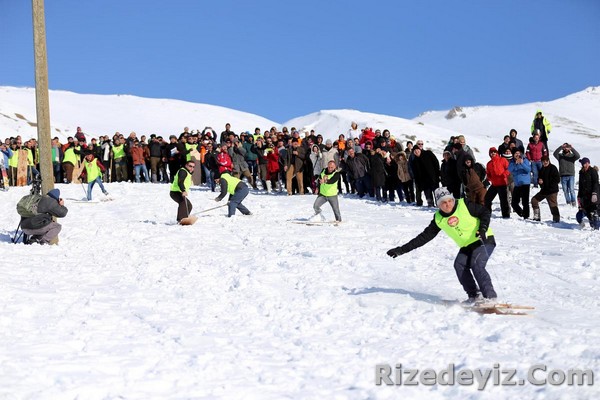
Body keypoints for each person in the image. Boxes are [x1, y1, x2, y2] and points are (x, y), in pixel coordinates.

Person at [387, 187, 497, 303]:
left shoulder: (464, 204)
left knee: (477, 264)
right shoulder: (438, 219)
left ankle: (490, 298)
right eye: (444, 202)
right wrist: (401, 250)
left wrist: (483, 228)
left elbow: (484, 212)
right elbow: (423, 238)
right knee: (459, 264)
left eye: (450, 200)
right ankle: (474, 295)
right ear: (438, 205)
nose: (448, 204)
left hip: (483, 240)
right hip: (467, 246)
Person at [531, 156, 560, 222]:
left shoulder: (553, 168)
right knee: (534, 200)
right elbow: (539, 179)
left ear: (549, 161)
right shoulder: (542, 169)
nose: (545, 162)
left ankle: (556, 219)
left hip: (552, 191)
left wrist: (548, 184)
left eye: (546, 161)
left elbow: (557, 179)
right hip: (544, 190)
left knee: (553, 205)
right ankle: (537, 216)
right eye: (543, 161)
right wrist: (540, 181)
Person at [484, 147, 510, 218]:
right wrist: (490, 178)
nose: (493, 153)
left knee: (503, 201)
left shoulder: (502, 160)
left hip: (502, 183)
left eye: (494, 152)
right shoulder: (489, 163)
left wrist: (504, 174)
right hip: (494, 184)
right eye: (491, 152)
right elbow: (488, 173)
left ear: (497, 153)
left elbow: (509, 168)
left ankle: (506, 216)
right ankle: (487, 214)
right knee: (487, 199)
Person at [576, 157, 599, 229]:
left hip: (593, 195)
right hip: (584, 196)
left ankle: (596, 228)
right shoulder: (581, 173)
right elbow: (580, 186)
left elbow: (596, 183)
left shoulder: (593, 171)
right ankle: (591, 226)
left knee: (594, 212)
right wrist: (579, 196)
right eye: (585, 164)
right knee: (587, 213)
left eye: (587, 163)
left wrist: (594, 193)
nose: (586, 165)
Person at [508, 149, 531, 219]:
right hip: (517, 184)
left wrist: (522, 163)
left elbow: (528, 170)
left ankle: (526, 216)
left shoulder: (525, 160)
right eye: (516, 153)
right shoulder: (512, 162)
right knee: (514, 203)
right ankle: (522, 213)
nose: (517, 155)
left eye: (518, 153)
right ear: (513, 155)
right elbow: (509, 170)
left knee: (525, 202)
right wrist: (515, 164)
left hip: (525, 183)